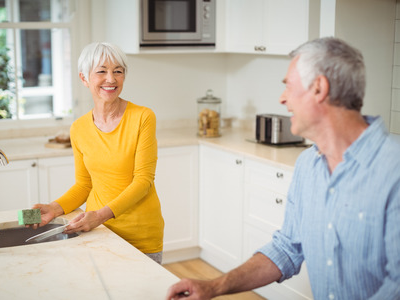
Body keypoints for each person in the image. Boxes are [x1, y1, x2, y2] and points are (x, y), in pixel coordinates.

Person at [166, 37, 400, 299]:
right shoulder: (308, 165)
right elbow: (287, 248)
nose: (282, 98)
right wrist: (213, 287)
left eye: (288, 86)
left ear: (319, 88)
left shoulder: (393, 171)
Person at [31, 42, 165, 264]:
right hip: (98, 232)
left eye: (118, 71)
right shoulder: (79, 128)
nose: (111, 79)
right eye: (101, 71)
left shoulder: (143, 117)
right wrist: (54, 208)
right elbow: (84, 185)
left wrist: (99, 216)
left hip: (140, 234)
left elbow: (144, 181)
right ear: (84, 78)